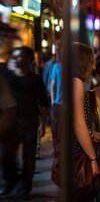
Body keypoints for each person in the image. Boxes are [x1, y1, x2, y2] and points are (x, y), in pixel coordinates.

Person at [1, 46, 49, 198]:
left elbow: (43, 103)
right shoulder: (8, 77)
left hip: (30, 121)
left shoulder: (34, 79)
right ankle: (11, 181)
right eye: (15, 56)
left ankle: (25, 188)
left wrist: (43, 123)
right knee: (6, 155)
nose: (16, 59)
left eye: (20, 56)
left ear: (29, 60)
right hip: (12, 122)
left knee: (28, 158)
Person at [70, 43, 100, 200]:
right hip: (78, 151)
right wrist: (93, 158)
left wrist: (91, 133)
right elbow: (78, 125)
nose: (94, 67)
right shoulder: (76, 84)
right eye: (91, 61)